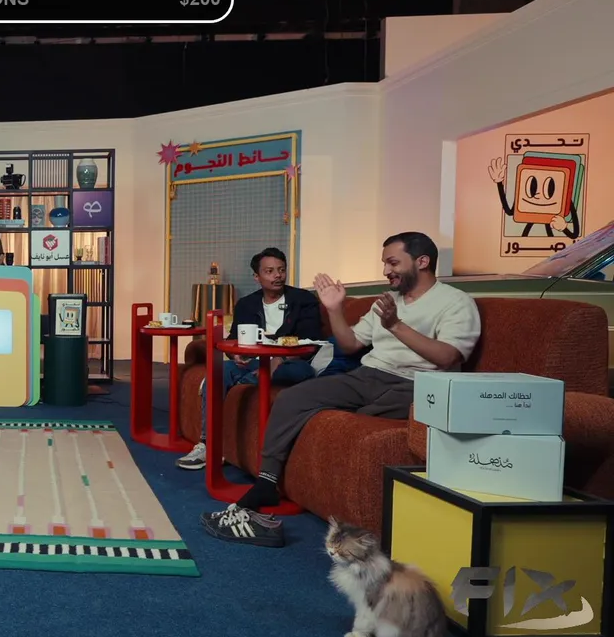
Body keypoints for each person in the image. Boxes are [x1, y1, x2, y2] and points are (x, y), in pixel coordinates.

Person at [200, 232, 481, 546]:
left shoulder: (456, 302)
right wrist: (335, 309)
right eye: (385, 263)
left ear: (422, 261)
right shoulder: (387, 302)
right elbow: (350, 345)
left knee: (363, 415)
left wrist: (396, 326)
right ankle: (266, 482)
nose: (386, 270)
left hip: (420, 384)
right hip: (367, 375)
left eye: (392, 263)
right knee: (293, 398)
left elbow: (448, 356)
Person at [176, 247, 323, 470]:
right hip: (254, 361)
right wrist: (235, 353)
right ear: (257, 276)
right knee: (218, 372)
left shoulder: (303, 300)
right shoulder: (246, 304)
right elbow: (233, 339)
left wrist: (280, 359)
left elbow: (312, 340)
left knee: (302, 373)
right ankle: (208, 445)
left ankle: (247, 380)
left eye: (281, 270)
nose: (277, 276)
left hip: (291, 362)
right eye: (270, 271)